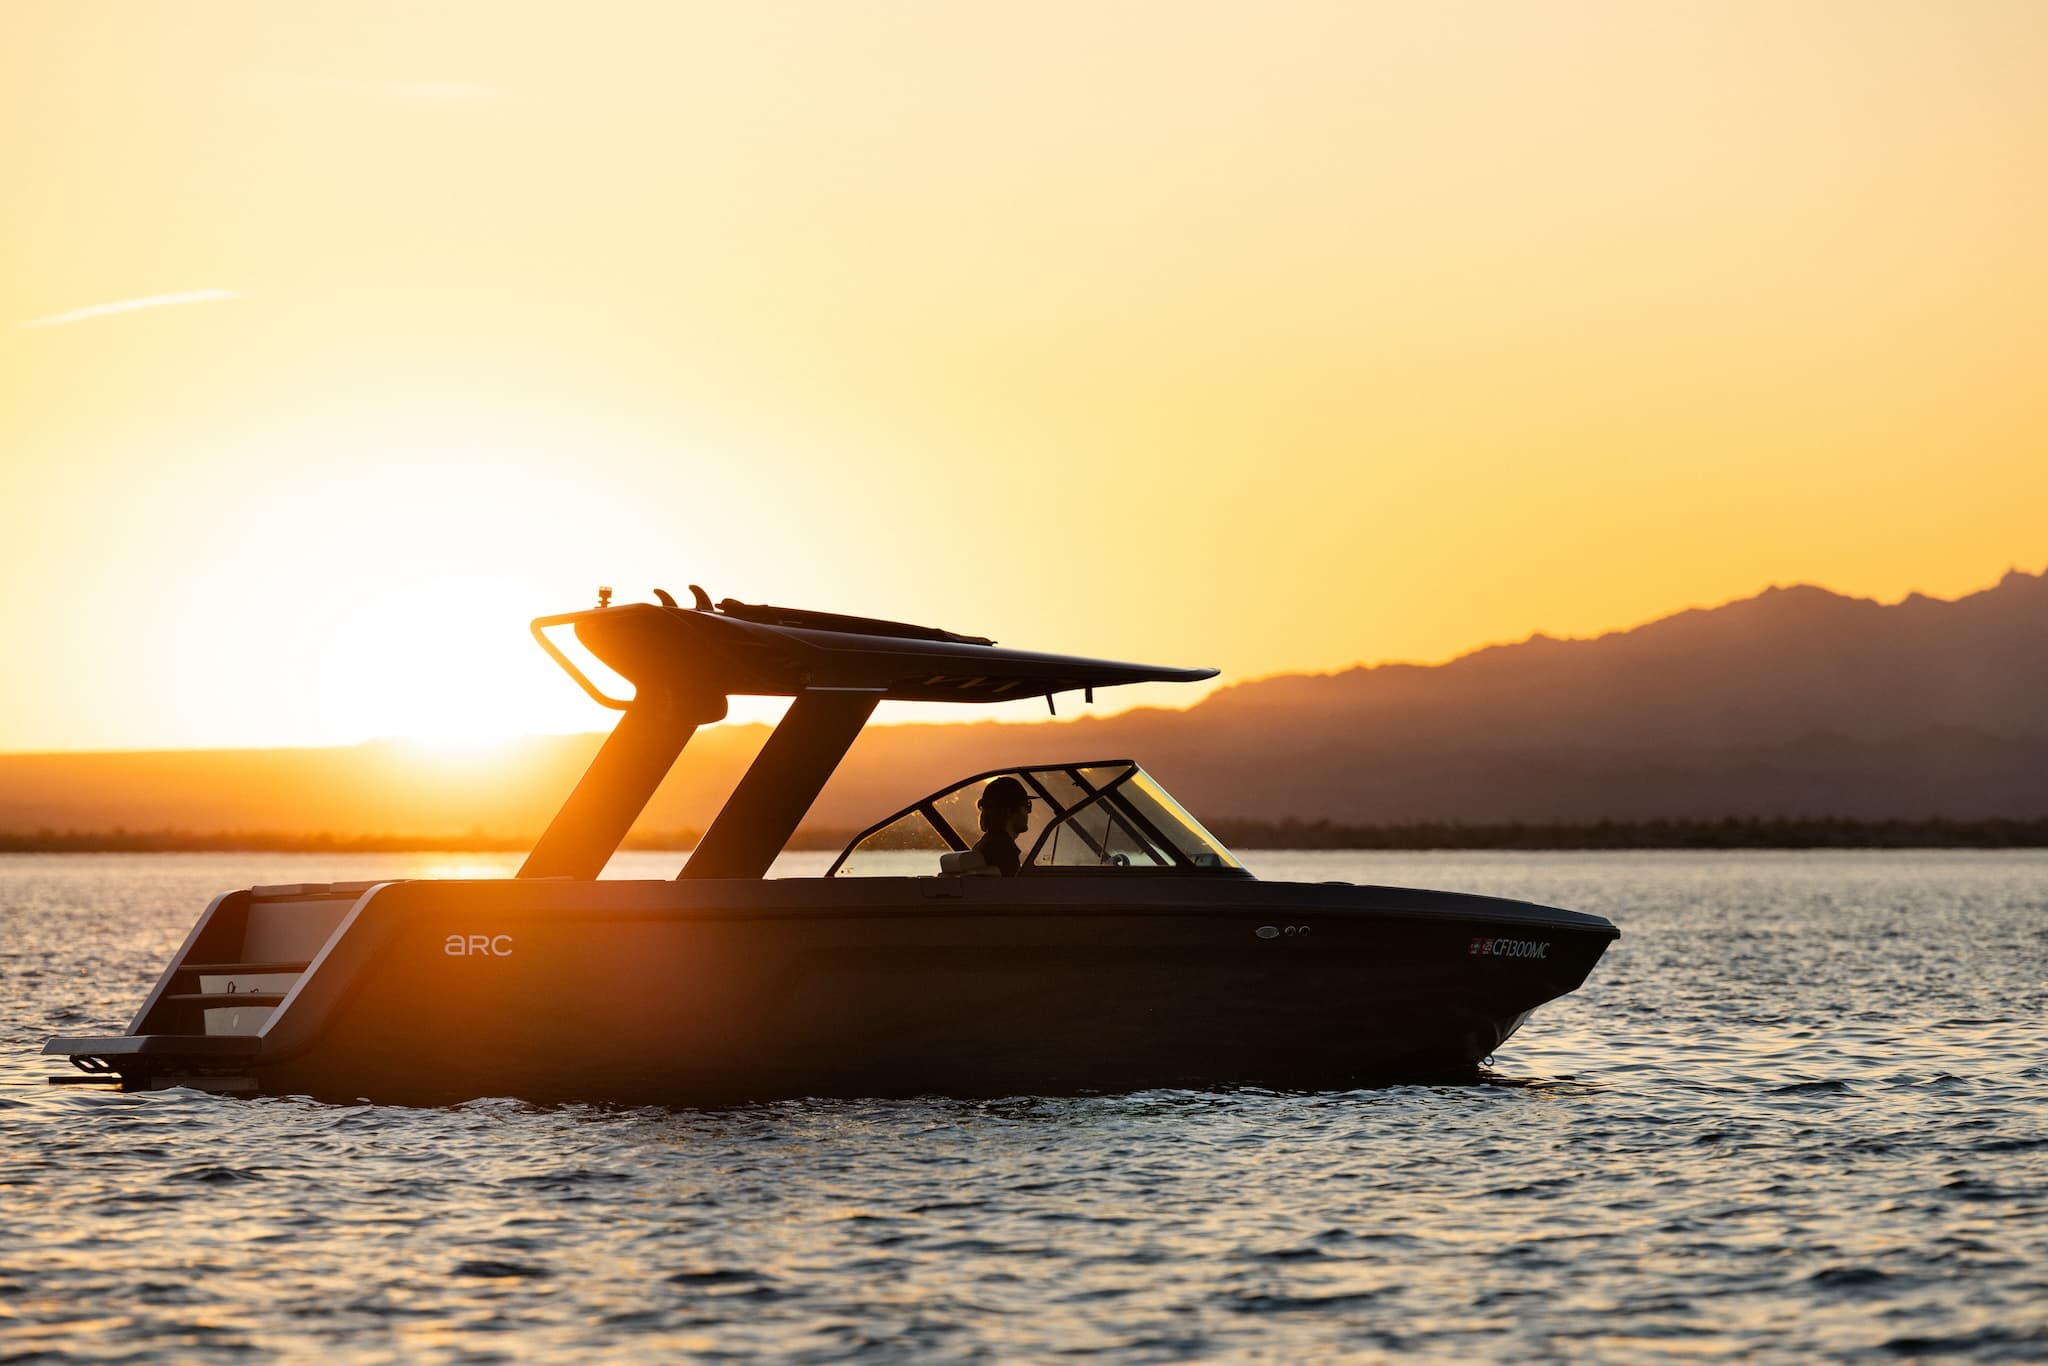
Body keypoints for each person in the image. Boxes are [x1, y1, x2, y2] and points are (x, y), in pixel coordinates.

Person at [971, 776, 1033, 876]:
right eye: (1027, 806)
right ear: (1009, 811)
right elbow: (1013, 889)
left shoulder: (986, 844)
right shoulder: (1004, 850)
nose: (1028, 812)